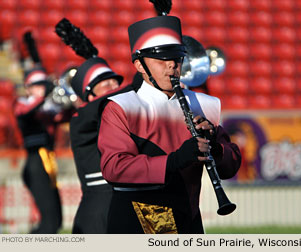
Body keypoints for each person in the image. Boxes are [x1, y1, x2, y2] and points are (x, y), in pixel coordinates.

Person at [97, 15, 241, 234]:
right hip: (139, 218)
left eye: (177, 58)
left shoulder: (203, 104)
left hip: (190, 218)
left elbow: (231, 166)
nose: (172, 65)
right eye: (161, 59)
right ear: (139, 65)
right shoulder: (121, 107)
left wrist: (215, 148)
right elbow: (114, 168)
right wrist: (174, 161)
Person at [69, 57, 142, 233]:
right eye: (105, 84)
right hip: (98, 210)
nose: (114, 86)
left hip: (129, 202)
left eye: (115, 82)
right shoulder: (81, 118)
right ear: (90, 95)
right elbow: (104, 103)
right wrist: (144, 78)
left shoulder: (125, 114)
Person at [14, 66, 66, 233]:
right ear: (27, 88)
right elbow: (25, 112)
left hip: (49, 164)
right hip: (35, 164)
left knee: (57, 220)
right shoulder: (22, 103)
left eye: (44, 84)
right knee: (49, 222)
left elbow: (69, 114)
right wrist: (44, 97)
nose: (41, 88)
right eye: (37, 85)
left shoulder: (48, 109)